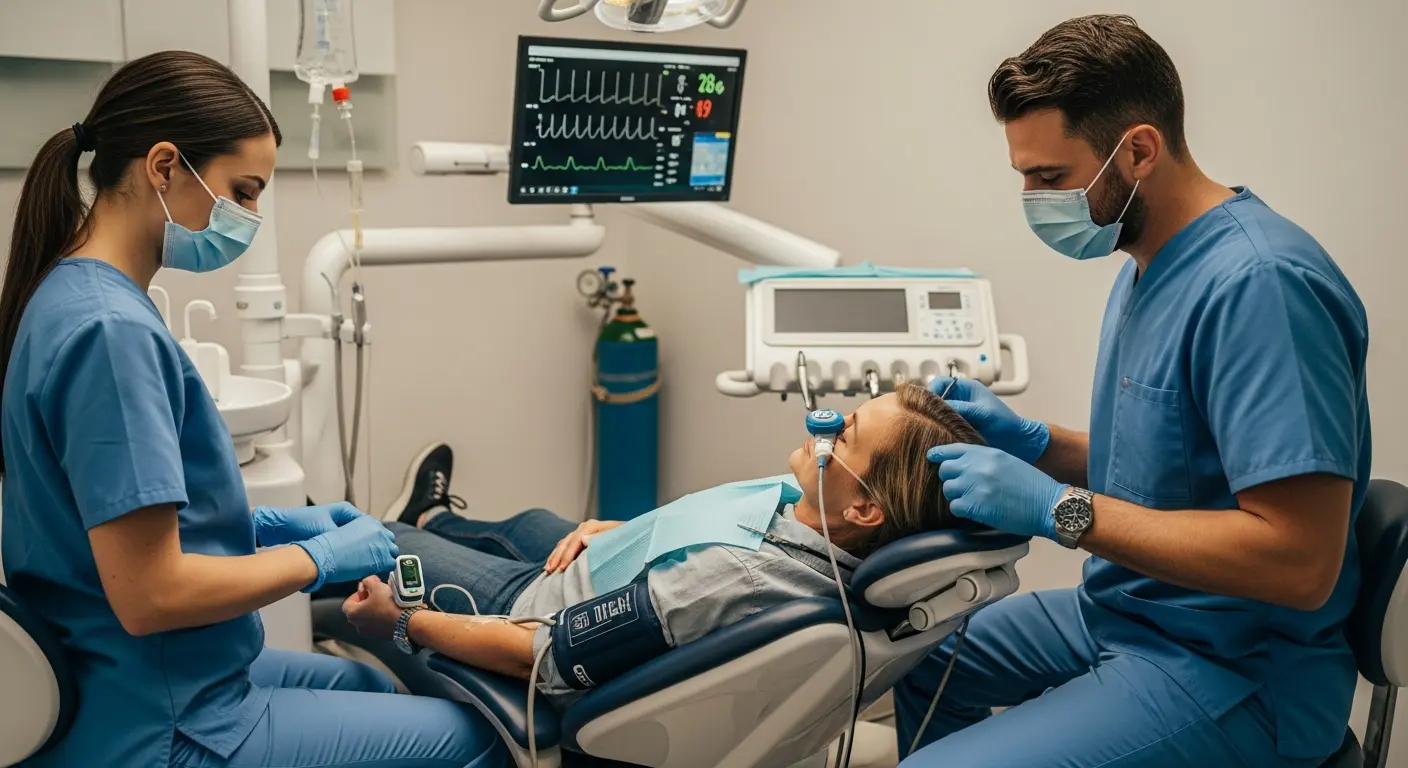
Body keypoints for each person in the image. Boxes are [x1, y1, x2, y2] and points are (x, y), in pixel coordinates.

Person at [0, 52, 508, 767]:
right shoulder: (109, 333)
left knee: (373, 681)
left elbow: (112, 523)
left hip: (140, 673)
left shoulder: (71, 296)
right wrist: (314, 557)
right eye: (243, 190)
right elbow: (150, 593)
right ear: (166, 166)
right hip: (162, 719)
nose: (251, 217)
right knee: (476, 743)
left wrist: (267, 523)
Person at [898, 15, 1370, 768]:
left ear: (1139, 150)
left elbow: (1299, 561)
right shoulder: (1146, 265)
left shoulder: (1261, 287)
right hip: (1127, 612)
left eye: (1050, 178)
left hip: (1236, 671)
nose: (1031, 199)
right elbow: (1180, 465)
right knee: (912, 652)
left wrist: (1058, 510)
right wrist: (1038, 445)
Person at [340, 383, 980, 706]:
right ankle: (429, 515)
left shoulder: (731, 579)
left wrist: (402, 621)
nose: (827, 424)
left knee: (371, 542)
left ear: (866, 507)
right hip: (614, 561)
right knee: (535, 519)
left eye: (846, 435)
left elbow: (536, 656)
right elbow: (718, 524)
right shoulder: (821, 516)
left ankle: (366, 546)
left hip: (538, 607)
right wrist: (633, 534)